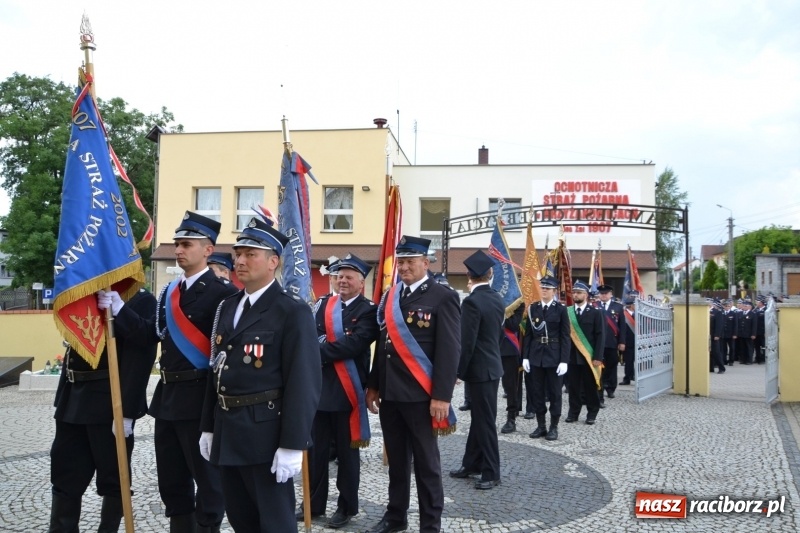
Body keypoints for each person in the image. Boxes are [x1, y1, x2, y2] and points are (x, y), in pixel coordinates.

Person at [99, 211, 238, 533]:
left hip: (201, 400)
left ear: (207, 249)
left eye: (186, 244)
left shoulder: (224, 294)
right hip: (169, 398)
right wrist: (120, 309)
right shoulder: (169, 293)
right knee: (172, 480)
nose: (178, 250)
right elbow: (150, 335)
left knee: (208, 480)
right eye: (177, 244)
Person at [199, 217, 322, 532]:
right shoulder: (228, 306)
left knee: (275, 523)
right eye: (238, 253)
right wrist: (208, 427)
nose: (240, 260)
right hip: (229, 429)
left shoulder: (291, 312)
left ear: (273, 261)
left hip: (266, 435)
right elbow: (217, 370)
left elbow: (304, 382)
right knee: (242, 521)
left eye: (250, 253)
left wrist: (294, 444)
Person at [365, 235, 461, 533]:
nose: (404, 267)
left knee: (426, 465)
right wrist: (374, 384)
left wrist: (442, 396)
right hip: (392, 395)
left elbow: (449, 349)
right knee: (396, 462)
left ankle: (430, 524)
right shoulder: (392, 295)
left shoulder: (442, 297)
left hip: (422, 397)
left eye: (410, 261)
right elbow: (384, 345)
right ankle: (396, 517)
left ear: (425, 262)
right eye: (401, 261)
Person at [49, 288, 157, 533]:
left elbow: (142, 354)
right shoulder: (84, 292)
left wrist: (128, 411)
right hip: (73, 399)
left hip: (108, 402)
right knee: (65, 475)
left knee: (114, 478)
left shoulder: (139, 299)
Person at [305, 253, 378, 528]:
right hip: (320, 390)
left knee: (347, 457)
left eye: (349, 277)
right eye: (339, 276)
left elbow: (353, 345)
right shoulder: (323, 304)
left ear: (361, 282)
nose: (342, 281)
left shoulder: (369, 311)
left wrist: (313, 351)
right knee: (316, 453)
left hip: (348, 393)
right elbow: (311, 334)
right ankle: (314, 503)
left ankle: (346, 508)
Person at [449, 251, 504, 489]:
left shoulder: (471, 302)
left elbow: (467, 341)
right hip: (491, 367)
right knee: (480, 419)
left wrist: (457, 372)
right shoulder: (496, 298)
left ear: (469, 275)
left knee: (485, 422)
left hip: (480, 370)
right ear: (490, 274)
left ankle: (491, 472)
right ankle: (471, 463)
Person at [520, 275, 570, 441]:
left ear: (554, 291)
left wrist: (564, 360)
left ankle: (553, 427)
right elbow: (528, 335)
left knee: (555, 393)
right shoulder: (533, 308)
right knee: (537, 392)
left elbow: (565, 336)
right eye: (542, 288)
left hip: (554, 356)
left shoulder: (561, 309)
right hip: (536, 355)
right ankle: (541, 425)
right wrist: (525, 357)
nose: (544, 291)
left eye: (547, 289)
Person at [564, 281, 605, 425]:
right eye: (574, 292)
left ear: (586, 295)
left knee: (590, 387)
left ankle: (592, 413)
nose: (575, 295)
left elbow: (600, 336)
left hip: (589, 357)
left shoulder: (595, 312)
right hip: (571, 357)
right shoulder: (567, 312)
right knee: (573, 387)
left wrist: (598, 357)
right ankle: (573, 413)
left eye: (579, 292)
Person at [595, 285, 624, 405]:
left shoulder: (618, 307)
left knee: (612, 366)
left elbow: (622, 326)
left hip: (612, 342)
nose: (604, 295)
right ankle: (600, 388)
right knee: (599, 367)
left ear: (611, 294)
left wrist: (622, 342)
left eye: (606, 293)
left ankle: (611, 388)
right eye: (602, 293)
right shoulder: (594, 306)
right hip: (598, 343)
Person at [499, 301, 524, 434]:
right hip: (490, 347)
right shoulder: (491, 298)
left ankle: (511, 418)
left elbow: (513, 325)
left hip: (508, 349)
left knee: (510, 386)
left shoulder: (518, 304)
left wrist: (501, 312)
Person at [619, 291, 638, 385]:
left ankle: (638, 377)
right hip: (628, 342)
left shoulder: (639, 314)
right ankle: (627, 378)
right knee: (628, 362)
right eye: (635, 304)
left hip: (639, 342)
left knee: (639, 362)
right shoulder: (623, 314)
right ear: (631, 305)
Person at [736, 299, 757, 364]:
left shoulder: (752, 314)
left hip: (749, 334)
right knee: (742, 347)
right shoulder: (739, 313)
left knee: (749, 347)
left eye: (745, 306)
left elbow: (754, 325)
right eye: (743, 306)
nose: (743, 307)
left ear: (749, 307)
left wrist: (753, 334)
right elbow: (738, 324)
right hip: (741, 333)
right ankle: (743, 359)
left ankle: (749, 360)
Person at [708, 298, 726, 374]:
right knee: (710, 352)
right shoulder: (706, 312)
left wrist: (717, 335)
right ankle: (710, 368)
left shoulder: (717, 312)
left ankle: (721, 368)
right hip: (708, 335)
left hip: (714, 335)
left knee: (716, 352)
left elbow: (719, 325)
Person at [721, 299, 738, 366]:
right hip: (723, 334)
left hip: (731, 334)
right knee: (723, 348)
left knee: (732, 348)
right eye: (726, 306)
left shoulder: (733, 313)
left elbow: (735, 324)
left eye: (728, 306)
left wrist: (735, 334)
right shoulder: (721, 313)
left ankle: (731, 361)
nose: (727, 307)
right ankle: (724, 360)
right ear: (724, 306)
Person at [754, 295, 767, 364]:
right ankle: (757, 358)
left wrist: (766, 331)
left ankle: (763, 358)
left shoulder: (766, 310)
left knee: (763, 346)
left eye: (757, 301)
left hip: (763, 331)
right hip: (756, 331)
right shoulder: (755, 310)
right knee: (757, 346)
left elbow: (767, 322)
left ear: (761, 302)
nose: (756, 303)